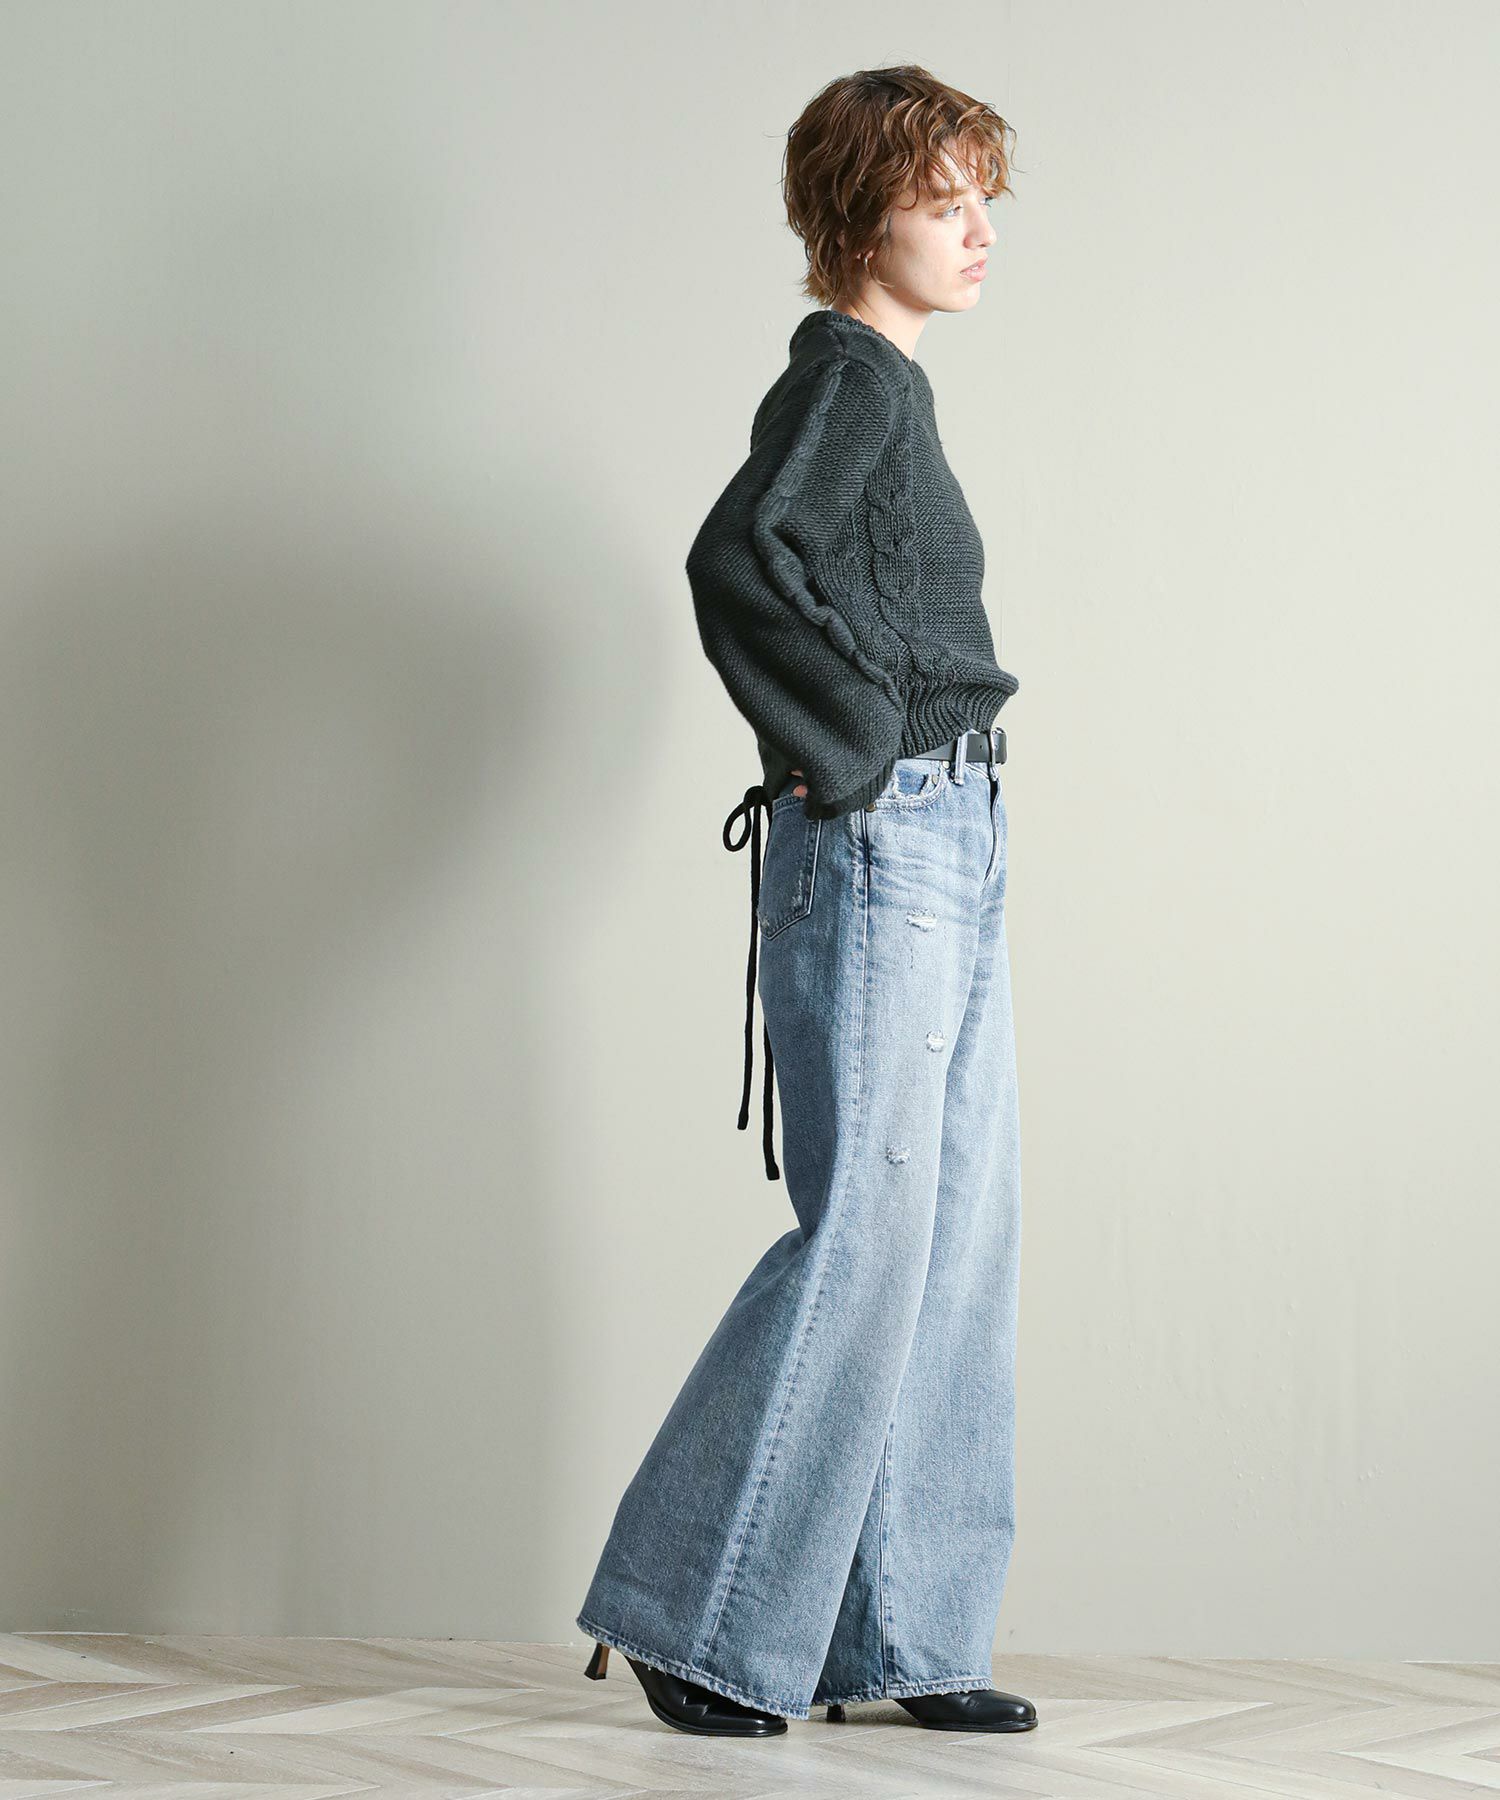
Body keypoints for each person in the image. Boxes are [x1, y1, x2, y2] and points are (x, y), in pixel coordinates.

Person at [576, 64, 1034, 1739]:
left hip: (955, 833)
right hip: (888, 838)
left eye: (984, 197)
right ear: (861, 217)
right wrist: (850, 748)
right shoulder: (845, 378)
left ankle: (905, 1637)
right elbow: (737, 560)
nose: (978, 230)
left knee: (954, 1243)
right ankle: (696, 1624)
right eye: (942, 200)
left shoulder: (892, 386)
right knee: (872, 1238)